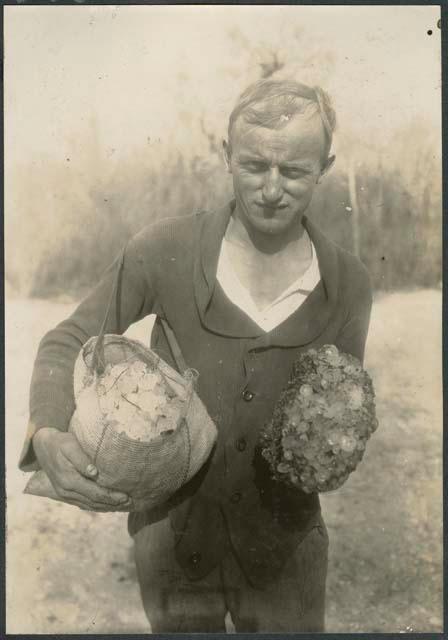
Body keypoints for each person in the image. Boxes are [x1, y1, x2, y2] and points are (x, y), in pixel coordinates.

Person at [19, 78, 372, 632]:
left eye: (296, 171)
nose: (272, 189)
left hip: (286, 551)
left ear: (325, 167)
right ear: (226, 156)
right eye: (254, 166)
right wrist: (48, 432)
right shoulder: (163, 250)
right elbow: (67, 340)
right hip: (173, 546)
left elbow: (339, 410)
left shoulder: (347, 281)